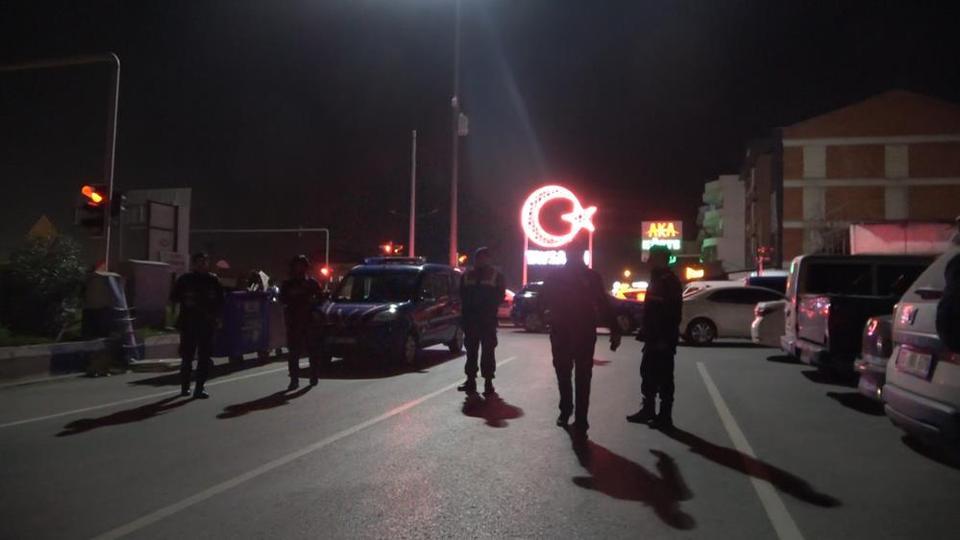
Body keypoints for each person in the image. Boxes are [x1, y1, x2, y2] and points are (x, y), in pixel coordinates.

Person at [542, 247, 621, 434]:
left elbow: (542, 301)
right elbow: (603, 304)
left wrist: (546, 315)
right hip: (579, 332)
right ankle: (579, 418)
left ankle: (568, 412)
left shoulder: (557, 276)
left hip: (565, 332)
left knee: (565, 373)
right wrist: (614, 330)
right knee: (581, 377)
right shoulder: (590, 277)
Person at [627, 245, 683, 430]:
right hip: (654, 337)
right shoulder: (659, 279)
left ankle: (664, 416)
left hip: (662, 338)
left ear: (660, 258)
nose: (649, 260)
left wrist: (662, 338)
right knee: (648, 373)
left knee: (664, 377)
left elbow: (671, 314)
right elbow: (652, 310)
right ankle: (649, 410)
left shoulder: (668, 281)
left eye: (652, 257)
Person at [171, 252, 225, 399]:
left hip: (207, 324)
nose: (202, 265)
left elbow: (221, 301)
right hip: (188, 323)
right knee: (187, 357)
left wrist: (218, 318)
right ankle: (185, 387)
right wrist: (185, 300)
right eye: (199, 262)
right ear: (194, 264)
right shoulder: (185, 279)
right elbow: (174, 297)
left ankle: (200, 388)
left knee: (204, 357)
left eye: (204, 262)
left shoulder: (213, 280)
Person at [457, 247, 506, 395]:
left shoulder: (496, 275)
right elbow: (462, 295)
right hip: (472, 320)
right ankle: (470, 380)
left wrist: (487, 308)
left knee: (488, 352)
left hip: (487, 320)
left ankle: (488, 382)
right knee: (471, 352)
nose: (481, 260)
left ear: (489, 259)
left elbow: (500, 296)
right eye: (479, 258)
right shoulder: (467, 275)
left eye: (484, 257)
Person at [280, 255, 324, 390]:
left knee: (313, 351)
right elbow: (282, 299)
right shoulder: (288, 284)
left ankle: (314, 375)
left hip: (309, 321)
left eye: (302, 266)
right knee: (294, 352)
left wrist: (313, 304)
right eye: (297, 266)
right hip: (294, 322)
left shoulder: (312, 283)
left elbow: (321, 299)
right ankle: (294, 379)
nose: (299, 268)